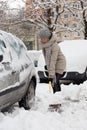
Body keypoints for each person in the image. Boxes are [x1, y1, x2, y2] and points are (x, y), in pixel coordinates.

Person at [39, 28, 66, 93]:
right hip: (52, 64)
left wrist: (51, 75)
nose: (42, 40)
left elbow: (53, 60)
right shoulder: (45, 45)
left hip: (59, 64)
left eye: (44, 38)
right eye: (41, 38)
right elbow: (47, 58)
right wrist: (48, 67)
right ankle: (57, 96)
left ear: (48, 38)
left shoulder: (54, 46)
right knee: (54, 82)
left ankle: (56, 98)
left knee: (54, 81)